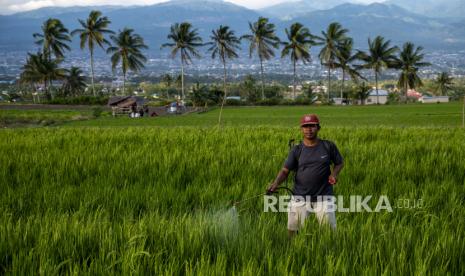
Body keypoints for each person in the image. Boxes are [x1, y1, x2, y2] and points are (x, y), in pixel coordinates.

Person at [267, 114, 344, 236]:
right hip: (299, 196)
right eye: (305, 126)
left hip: (323, 196)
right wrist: (276, 183)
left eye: (312, 126)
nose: (309, 129)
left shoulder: (328, 146)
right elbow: (285, 170)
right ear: (301, 129)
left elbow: (339, 163)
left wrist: (334, 174)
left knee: (329, 232)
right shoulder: (297, 150)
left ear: (318, 128)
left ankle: (330, 251)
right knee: (293, 229)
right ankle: (292, 251)